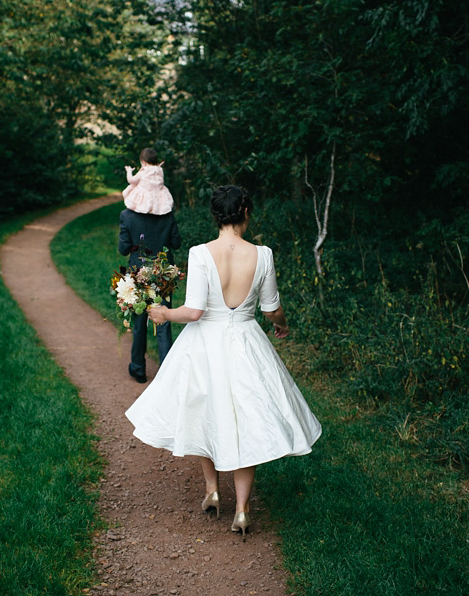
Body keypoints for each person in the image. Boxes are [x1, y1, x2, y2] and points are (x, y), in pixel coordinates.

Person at [125, 185, 322, 538]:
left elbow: (195, 310)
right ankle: (243, 511)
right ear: (246, 212)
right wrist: (282, 326)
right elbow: (271, 309)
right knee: (244, 422)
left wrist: (164, 313)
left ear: (215, 215)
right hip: (247, 342)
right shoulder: (263, 254)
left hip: (205, 344)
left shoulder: (201, 253)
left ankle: (213, 491)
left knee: (206, 412)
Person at [118, 148, 182, 383]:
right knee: (163, 320)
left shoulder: (127, 215)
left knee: (138, 321)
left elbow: (124, 249)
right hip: (163, 271)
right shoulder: (167, 213)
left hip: (137, 270)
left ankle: (138, 368)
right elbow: (176, 242)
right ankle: (167, 376)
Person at [122, 148, 174, 216]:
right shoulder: (159, 170)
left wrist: (129, 171)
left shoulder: (143, 171)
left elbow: (131, 181)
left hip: (146, 195)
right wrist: (158, 167)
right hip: (158, 194)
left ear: (143, 162)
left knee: (132, 188)